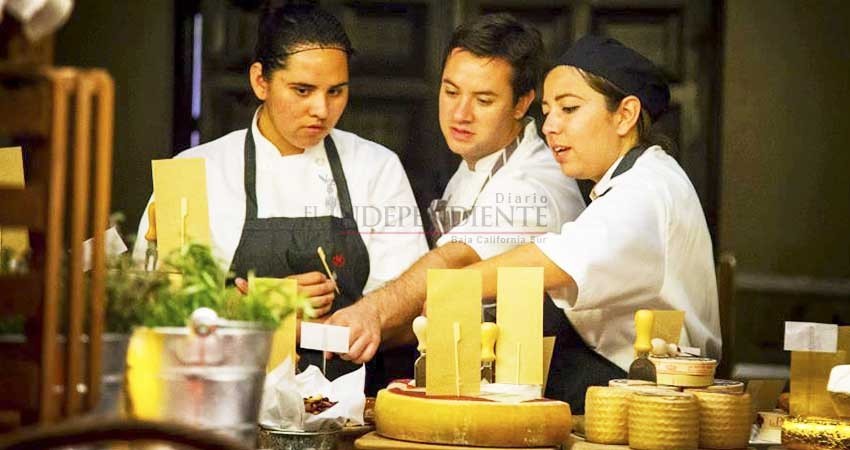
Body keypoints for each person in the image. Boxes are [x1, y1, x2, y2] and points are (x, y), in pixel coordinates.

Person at [132, 3, 428, 389]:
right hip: (220, 400)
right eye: (302, 90)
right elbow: (151, 306)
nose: (321, 110)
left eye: (336, 91)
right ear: (260, 81)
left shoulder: (376, 167)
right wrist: (252, 306)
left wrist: (340, 325)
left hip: (349, 410)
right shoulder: (194, 171)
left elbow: (412, 313)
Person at [436, 35, 721, 413]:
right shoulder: (627, 180)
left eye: (569, 109)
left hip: (654, 397)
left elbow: (548, 263)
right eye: (548, 110)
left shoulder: (646, 189)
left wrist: (449, 289)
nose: (550, 126)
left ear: (625, 115)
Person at [324, 14, 585, 377]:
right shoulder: (477, 161)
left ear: (522, 103)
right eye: (450, 91)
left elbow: (454, 262)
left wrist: (371, 312)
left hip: (538, 383)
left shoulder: (533, 184)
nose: (460, 114)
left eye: (483, 99)